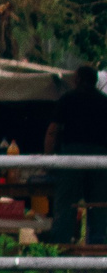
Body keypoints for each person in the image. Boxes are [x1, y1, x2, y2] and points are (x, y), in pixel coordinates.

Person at [45, 64, 107, 245]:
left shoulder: (67, 99)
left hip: (72, 156)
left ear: (77, 79)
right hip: (100, 159)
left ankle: (61, 246)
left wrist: (48, 160)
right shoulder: (105, 102)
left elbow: (52, 131)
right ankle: (98, 248)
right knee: (98, 204)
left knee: (66, 204)